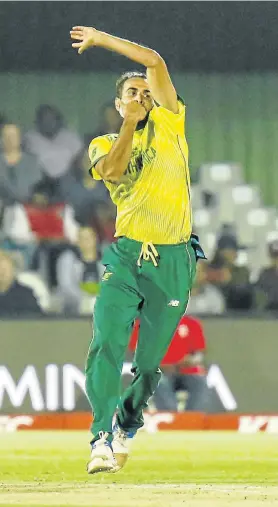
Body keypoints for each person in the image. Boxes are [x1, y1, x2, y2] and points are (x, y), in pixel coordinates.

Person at [70, 25, 205, 475]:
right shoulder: (104, 143)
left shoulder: (171, 118)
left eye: (146, 92)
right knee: (106, 342)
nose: (142, 96)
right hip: (127, 256)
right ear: (118, 102)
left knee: (149, 366)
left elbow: (155, 61)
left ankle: (129, 420)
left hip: (173, 260)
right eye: (131, 92)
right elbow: (112, 169)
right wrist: (128, 122)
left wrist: (102, 40)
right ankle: (101, 437)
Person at [25, 105, 83, 180]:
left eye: (51, 118)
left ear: (58, 120)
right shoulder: (30, 138)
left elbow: (81, 159)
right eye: (45, 119)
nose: (48, 122)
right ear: (38, 121)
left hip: (69, 180)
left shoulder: (70, 137)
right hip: (39, 181)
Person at [56, 226, 100, 314]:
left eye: (89, 238)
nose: (86, 241)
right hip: (75, 305)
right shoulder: (67, 259)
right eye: (82, 238)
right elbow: (65, 285)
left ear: (95, 239)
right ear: (77, 242)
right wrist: (84, 299)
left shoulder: (106, 260)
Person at [0, 123, 43, 205]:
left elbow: (39, 189)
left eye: (13, 136)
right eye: (6, 136)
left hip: (29, 208)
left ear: (20, 139)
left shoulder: (32, 162)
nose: (10, 139)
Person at [208, 235, 253, 310]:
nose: (235, 254)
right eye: (232, 251)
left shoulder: (242, 271)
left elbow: (243, 292)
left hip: (237, 312)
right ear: (221, 252)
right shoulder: (209, 271)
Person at [0, 250, 42, 316]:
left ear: (12, 269)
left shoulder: (26, 294)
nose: (1, 273)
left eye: (4, 269)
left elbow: (36, 318)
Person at [255, 239, 278, 312]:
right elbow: (259, 298)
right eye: (275, 256)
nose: (277, 259)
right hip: (269, 314)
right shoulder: (265, 274)